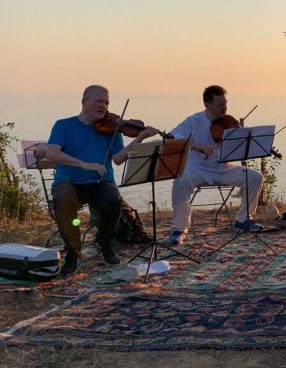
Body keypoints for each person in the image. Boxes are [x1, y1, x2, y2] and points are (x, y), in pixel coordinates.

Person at [46, 84, 159, 275]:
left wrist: (139, 138)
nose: (104, 106)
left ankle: (104, 244)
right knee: (63, 201)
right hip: (70, 181)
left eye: (107, 102)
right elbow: (52, 152)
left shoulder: (111, 130)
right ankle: (73, 252)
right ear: (84, 101)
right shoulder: (64, 125)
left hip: (100, 181)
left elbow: (117, 159)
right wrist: (84, 164)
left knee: (113, 200)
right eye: (99, 101)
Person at [167, 85, 264, 245]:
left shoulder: (228, 123)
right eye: (220, 105)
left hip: (223, 168)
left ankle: (243, 220)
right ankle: (179, 228)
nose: (224, 108)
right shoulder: (194, 121)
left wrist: (240, 137)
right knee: (181, 180)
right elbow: (173, 136)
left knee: (255, 177)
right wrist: (196, 146)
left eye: (225, 103)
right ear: (207, 105)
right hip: (198, 168)